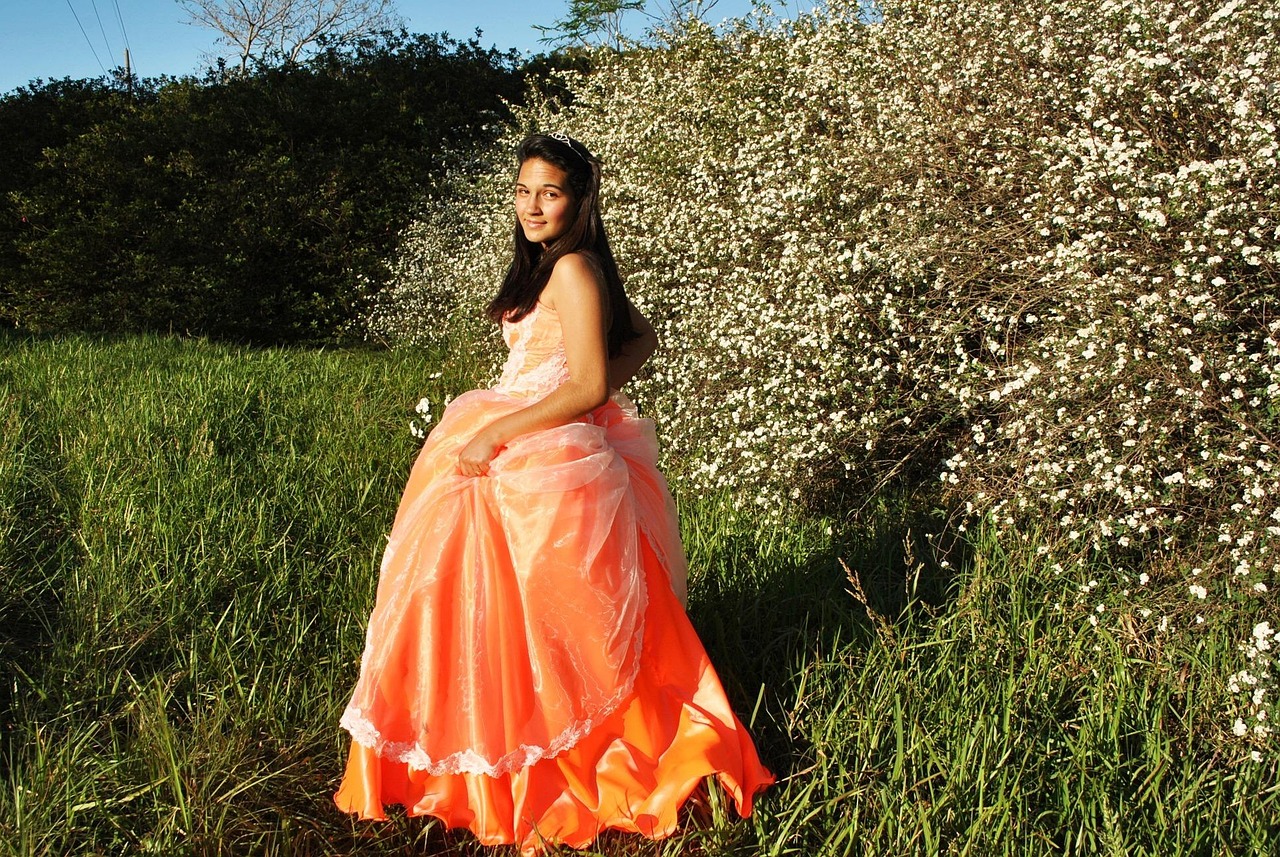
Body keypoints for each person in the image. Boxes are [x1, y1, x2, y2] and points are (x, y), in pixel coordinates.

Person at [335, 133, 773, 854]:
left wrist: (505, 428)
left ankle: (548, 766)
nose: (532, 206)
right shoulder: (557, 265)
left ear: (580, 200)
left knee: (535, 613)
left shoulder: (573, 267)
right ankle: (490, 759)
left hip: (537, 450)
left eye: (551, 192)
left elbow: (592, 381)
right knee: (480, 602)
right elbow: (640, 339)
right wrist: (548, 411)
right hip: (532, 434)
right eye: (523, 191)